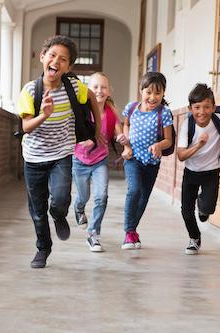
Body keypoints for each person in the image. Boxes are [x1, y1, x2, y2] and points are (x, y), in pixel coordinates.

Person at [17, 35, 101, 268]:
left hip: (61, 154)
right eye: (52, 55)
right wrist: (43, 114)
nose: (56, 61)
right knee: (37, 209)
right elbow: (26, 127)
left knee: (61, 198)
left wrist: (98, 130)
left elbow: (93, 97)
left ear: (68, 67)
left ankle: (59, 214)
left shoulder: (73, 87)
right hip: (33, 157)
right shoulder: (29, 91)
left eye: (63, 59)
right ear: (43, 57)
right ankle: (43, 249)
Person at [177, 83, 220, 255]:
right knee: (186, 211)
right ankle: (194, 238)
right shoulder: (187, 125)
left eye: (207, 107)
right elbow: (181, 156)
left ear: (213, 107)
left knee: (208, 209)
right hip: (191, 172)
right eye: (197, 107)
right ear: (190, 108)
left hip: (211, 171)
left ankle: (203, 206)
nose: (202, 111)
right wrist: (198, 145)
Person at [72, 72, 128, 252]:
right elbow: (72, 132)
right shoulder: (83, 110)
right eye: (95, 87)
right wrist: (84, 140)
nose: (99, 90)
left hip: (100, 161)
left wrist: (122, 138)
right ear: (88, 90)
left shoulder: (111, 112)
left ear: (109, 91)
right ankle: (79, 208)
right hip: (80, 160)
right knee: (84, 196)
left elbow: (118, 132)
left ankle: (93, 234)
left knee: (101, 196)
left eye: (103, 87)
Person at [120, 72, 173, 250]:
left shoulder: (164, 113)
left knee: (143, 198)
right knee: (134, 190)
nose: (152, 97)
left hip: (152, 162)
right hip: (133, 158)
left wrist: (159, 145)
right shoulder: (131, 107)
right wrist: (126, 144)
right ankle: (128, 232)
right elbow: (126, 124)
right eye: (148, 92)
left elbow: (169, 141)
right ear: (141, 90)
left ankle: (133, 230)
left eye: (157, 93)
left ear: (163, 93)